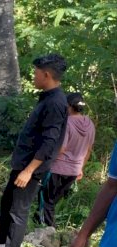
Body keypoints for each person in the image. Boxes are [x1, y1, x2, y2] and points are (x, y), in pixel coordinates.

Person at [0, 54, 68, 247]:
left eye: (36, 73)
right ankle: (0, 242)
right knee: (7, 202)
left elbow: (49, 142)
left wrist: (29, 170)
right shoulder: (47, 97)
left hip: (31, 167)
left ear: (46, 74)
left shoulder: (56, 102)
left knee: (18, 209)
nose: (33, 77)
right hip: (23, 163)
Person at [34, 92, 95, 227]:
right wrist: (80, 169)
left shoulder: (66, 123)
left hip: (58, 168)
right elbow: (89, 149)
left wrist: (45, 163)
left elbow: (61, 148)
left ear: (69, 106)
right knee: (53, 200)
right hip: (74, 171)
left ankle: (47, 229)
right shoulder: (90, 124)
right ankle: (39, 223)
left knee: (46, 198)